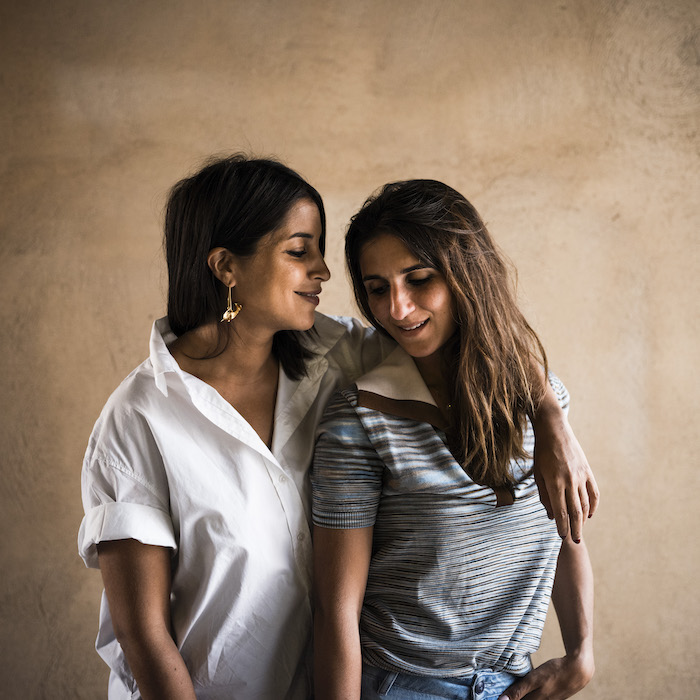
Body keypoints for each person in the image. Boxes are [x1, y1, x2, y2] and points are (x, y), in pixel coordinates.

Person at [78, 157, 597, 700]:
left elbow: (484, 337)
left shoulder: (339, 353)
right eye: (299, 251)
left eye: (320, 250)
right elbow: (143, 636)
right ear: (226, 267)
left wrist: (550, 416)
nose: (323, 271)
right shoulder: (140, 419)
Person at [312, 180, 595, 700]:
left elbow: (565, 534)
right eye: (378, 288)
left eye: (419, 279)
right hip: (401, 685)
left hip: (514, 681)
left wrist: (582, 655)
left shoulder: (540, 399)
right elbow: (336, 613)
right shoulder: (360, 420)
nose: (397, 308)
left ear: (466, 273)